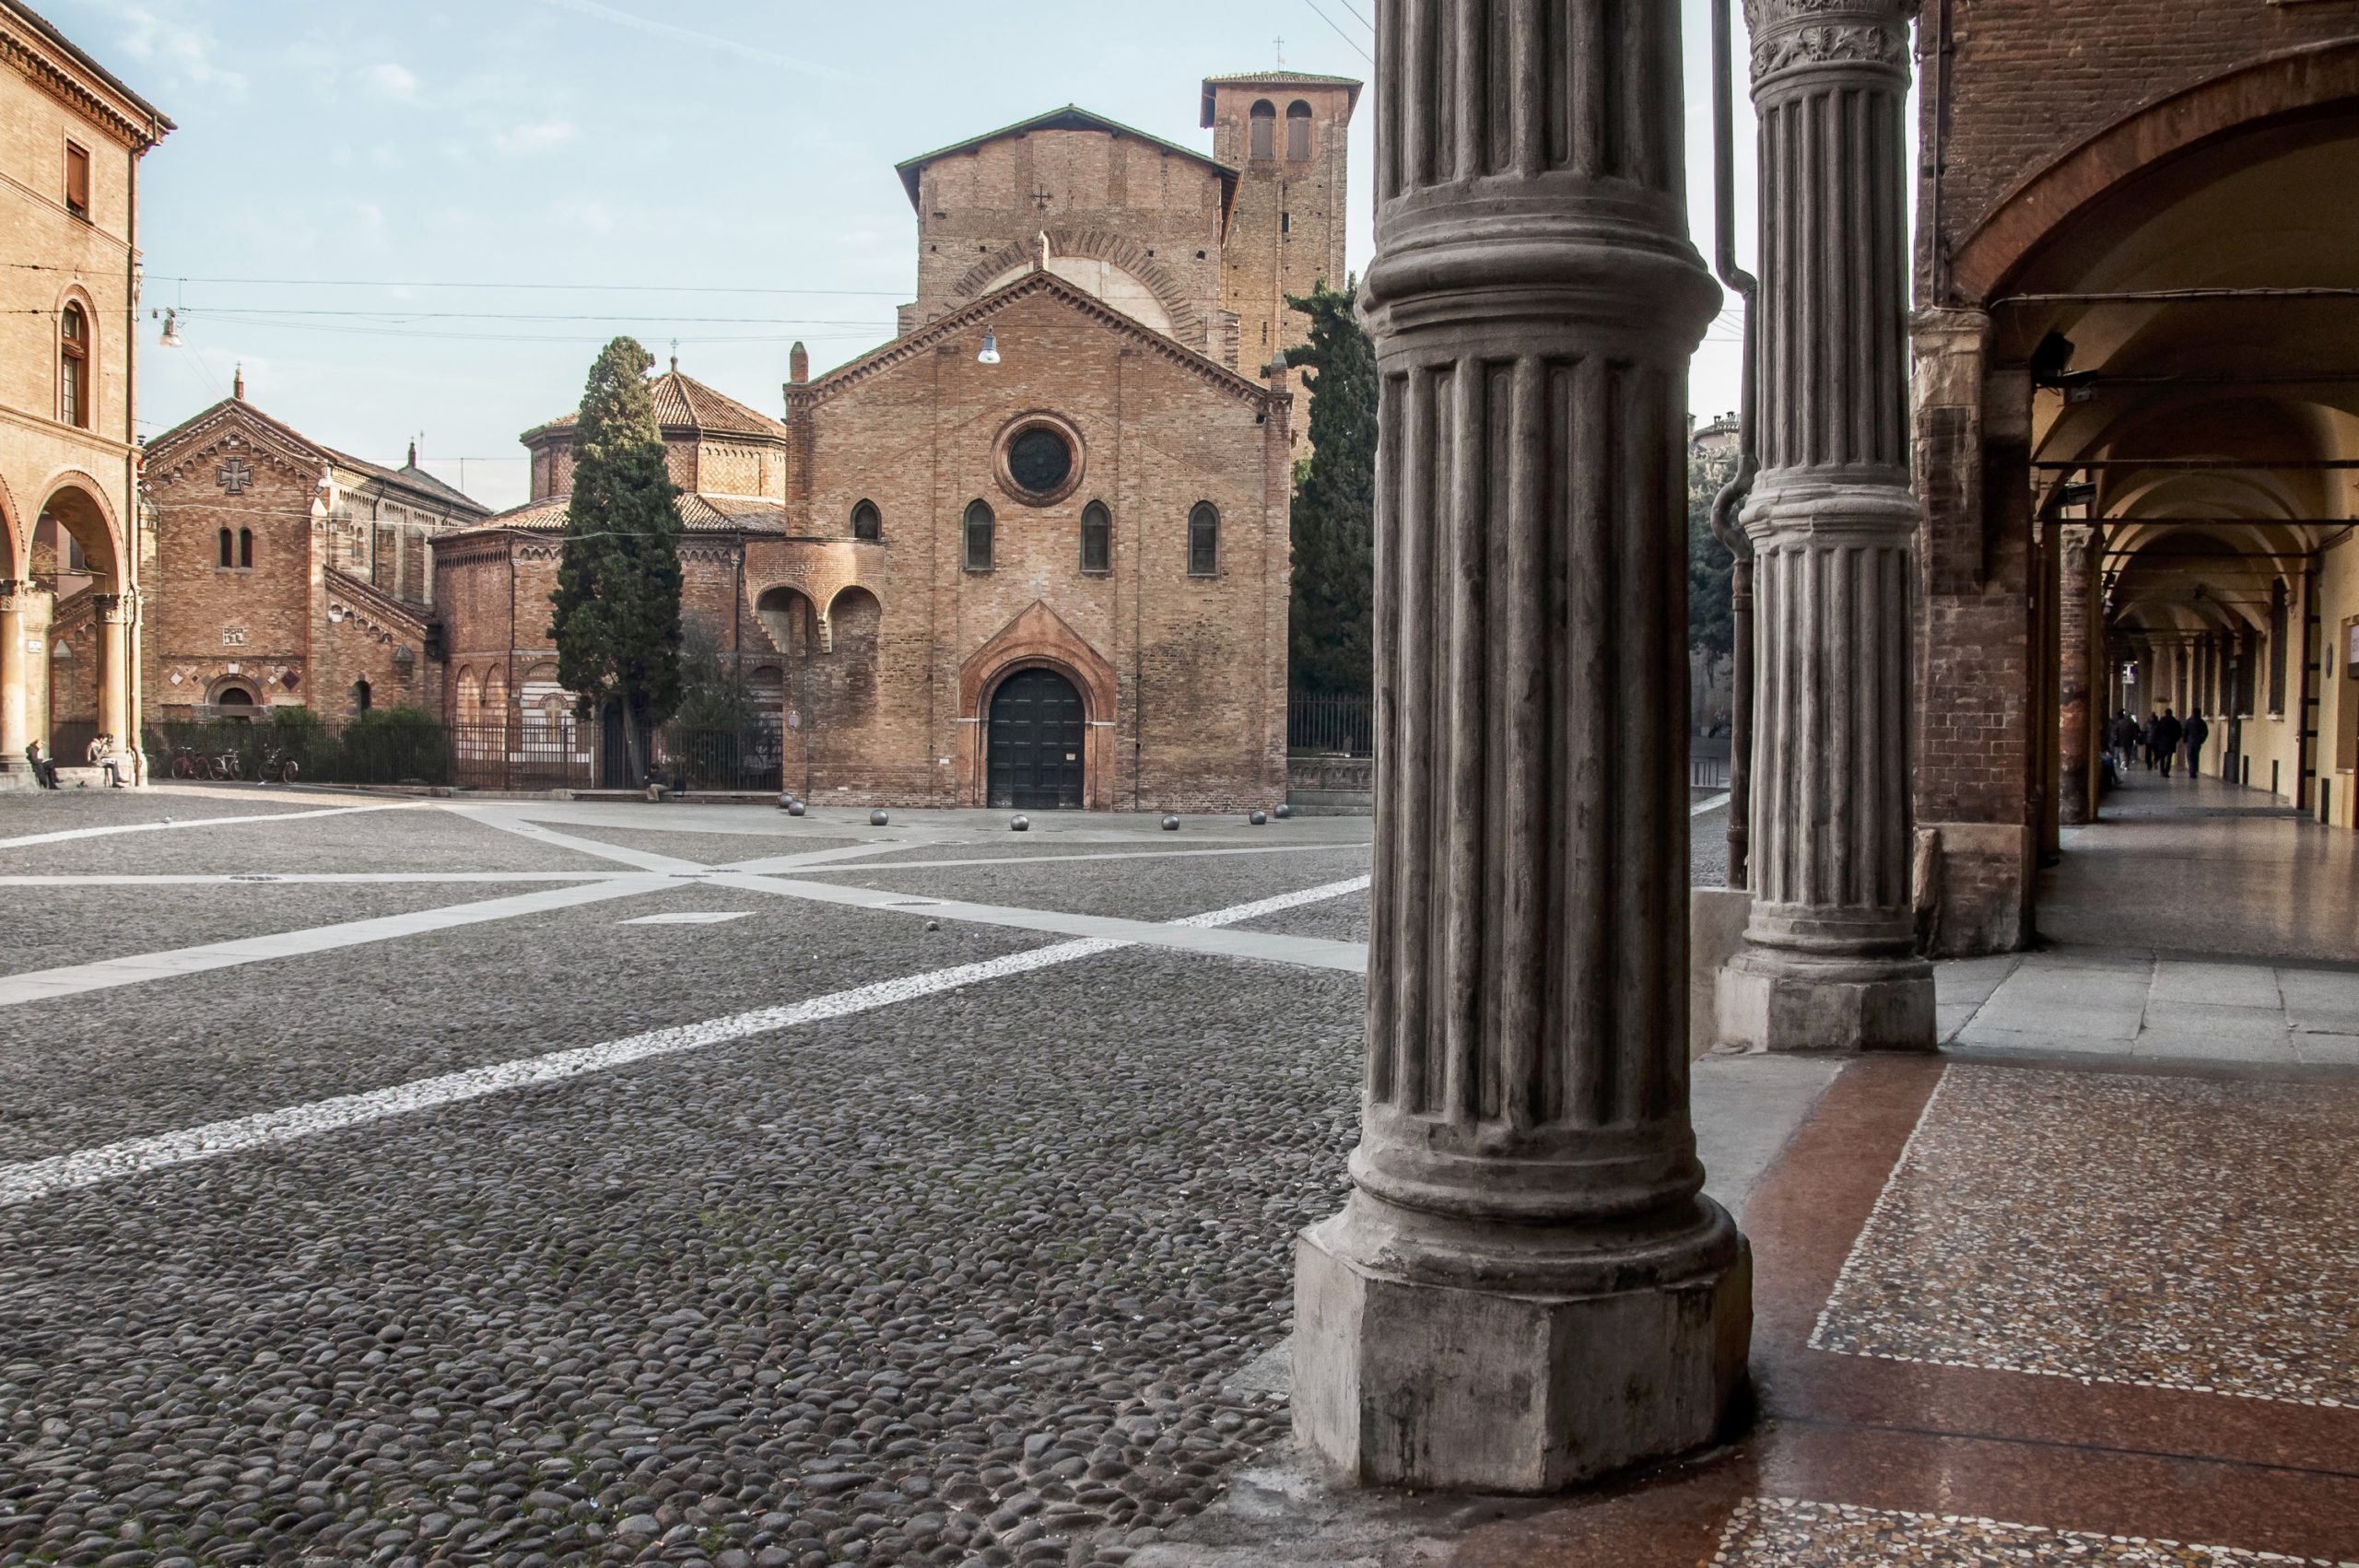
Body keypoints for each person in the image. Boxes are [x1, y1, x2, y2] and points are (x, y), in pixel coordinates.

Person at [2151, 707, 2184, 778]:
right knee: (2169, 758)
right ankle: (2166, 772)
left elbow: (2156, 732)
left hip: (2162, 742)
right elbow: (2179, 732)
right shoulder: (2175, 722)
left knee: (2162, 757)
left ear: (2165, 713)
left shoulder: (2161, 722)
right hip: (2171, 742)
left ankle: (2162, 771)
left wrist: (2157, 740)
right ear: (2171, 714)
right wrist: (2175, 739)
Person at [2185, 710, 2211, 779]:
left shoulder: (2188, 721)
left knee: (2190, 756)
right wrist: (2201, 740)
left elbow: (2185, 731)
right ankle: (2194, 771)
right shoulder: (2201, 722)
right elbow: (2205, 732)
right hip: (2197, 742)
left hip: (2190, 741)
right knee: (2196, 756)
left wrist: (2184, 739)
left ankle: (2192, 771)